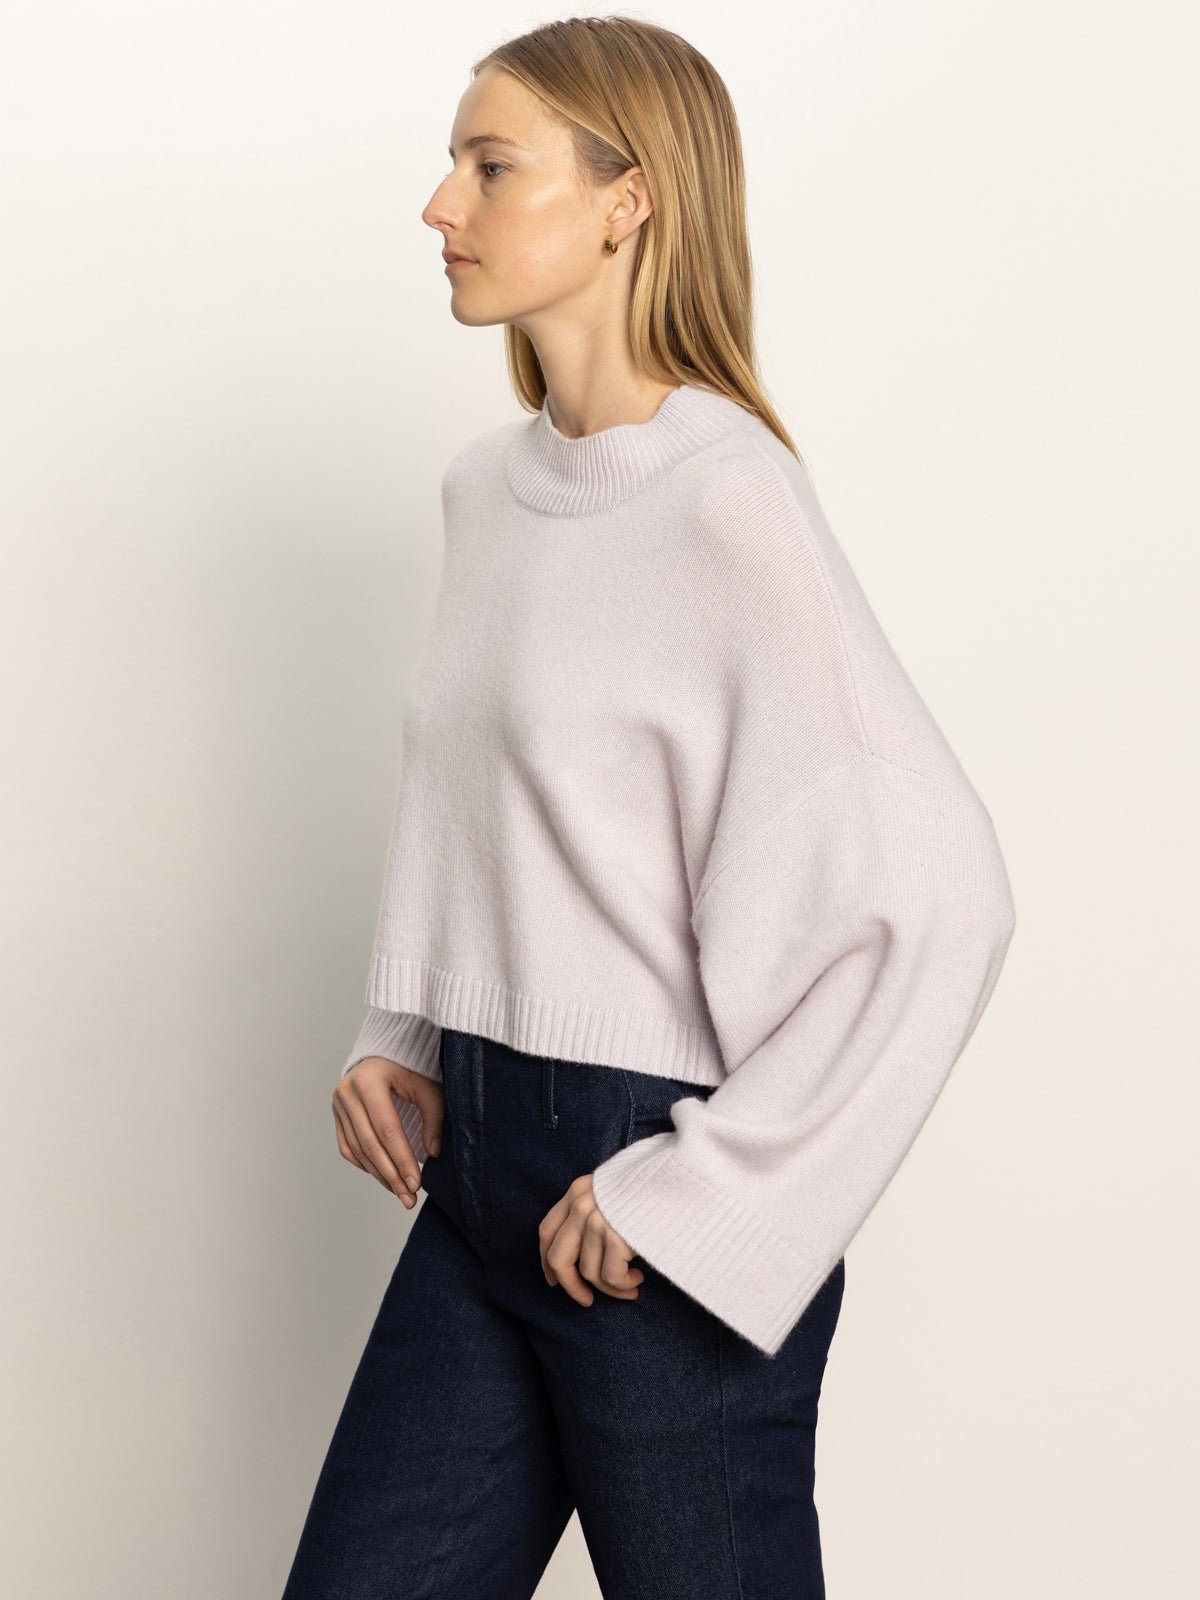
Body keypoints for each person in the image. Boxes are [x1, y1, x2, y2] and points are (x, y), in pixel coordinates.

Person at [282, 17, 1016, 1600]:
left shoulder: (727, 502)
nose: (441, 204)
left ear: (629, 200)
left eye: (492, 166)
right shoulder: (488, 492)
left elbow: (943, 893)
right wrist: (405, 1032)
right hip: (478, 1159)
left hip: (640, 1186)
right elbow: (499, 806)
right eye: (453, 163)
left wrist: (703, 1192)